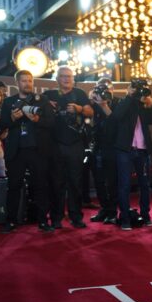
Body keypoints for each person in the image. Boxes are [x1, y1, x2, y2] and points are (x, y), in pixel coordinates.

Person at [0, 70, 55, 233]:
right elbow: (2, 125)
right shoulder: (9, 102)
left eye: (30, 80)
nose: (28, 83)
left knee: (40, 186)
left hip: (38, 150)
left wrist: (37, 120)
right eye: (24, 81)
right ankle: (10, 221)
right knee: (14, 186)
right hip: (16, 152)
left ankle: (43, 221)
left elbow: (51, 123)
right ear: (17, 83)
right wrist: (13, 119)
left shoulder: (42, 100)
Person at [43, 66, 94, 229]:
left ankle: (76, 217)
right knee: (56, 183)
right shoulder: (48, 95)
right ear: (56, 78)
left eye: (69, 76)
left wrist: (79, 109)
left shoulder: (79, 94)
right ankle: (56, 218)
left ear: (73, 79)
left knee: (75, 182)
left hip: (75, 144)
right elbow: (38, 114)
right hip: (55, 144)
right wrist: (46, 106)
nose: (66, 79)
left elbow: (90, 112)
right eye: (63, 76)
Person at [114, 81, 152, 231]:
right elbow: (117, 116)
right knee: (124, 184)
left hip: (142, 150)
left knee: (145, 184)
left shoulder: (142, 104)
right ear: (128, 89)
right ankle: (125, 218)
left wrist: (149, 104)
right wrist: (130, 97)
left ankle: (146, 216)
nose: (138, 92)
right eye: (134, 89)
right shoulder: (123, 102)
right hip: (125, 149)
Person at [88, 78, 120, 224]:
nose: (104, 91)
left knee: (111, 182)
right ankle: (104, 209)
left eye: (107, 88)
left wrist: (104, 104)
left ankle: (113, 212)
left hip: (113, 147)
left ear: (112, 89)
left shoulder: (119, 102)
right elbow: (88, 117)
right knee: (99, 182)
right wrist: (91, 101)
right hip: (97, 146)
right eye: (101, 88)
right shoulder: (94, 103)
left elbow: (115, 121)